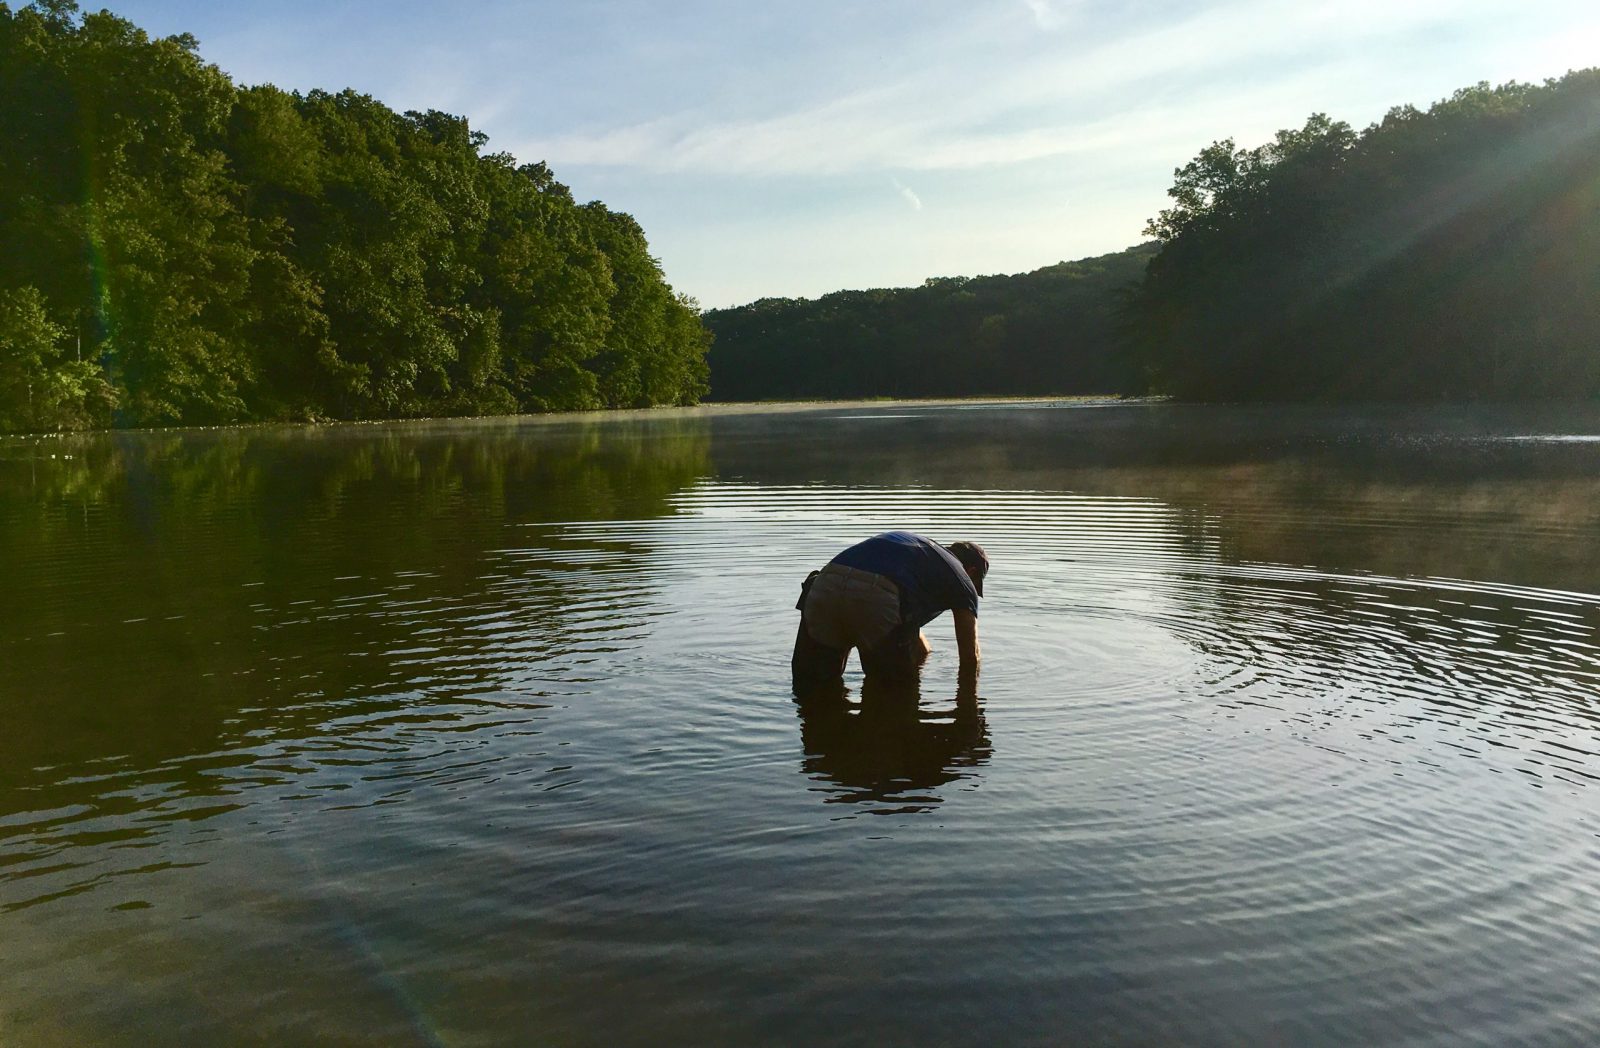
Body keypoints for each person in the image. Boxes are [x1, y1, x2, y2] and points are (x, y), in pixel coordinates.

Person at [792, 531, 988, 684]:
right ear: (971, 571)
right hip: (876, 596)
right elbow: (970, 657)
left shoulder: (921, 554)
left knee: (816, 686)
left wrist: (923, 658)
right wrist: (970, 708)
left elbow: (908, 623)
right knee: (892, 695)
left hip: (824, 585)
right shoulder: (962, 579)